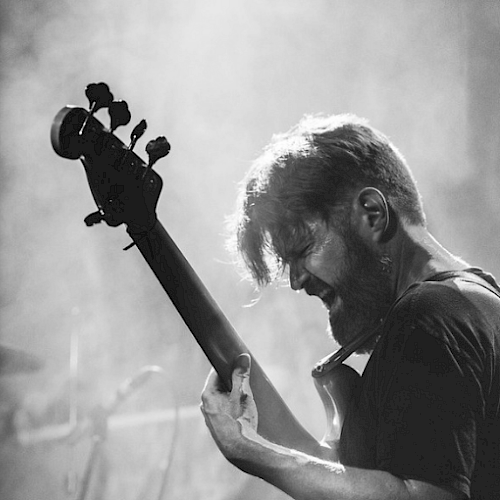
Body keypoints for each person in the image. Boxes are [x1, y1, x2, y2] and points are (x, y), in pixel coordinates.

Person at [200, 114, 500, 500]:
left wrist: (251, 453)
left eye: (303, 250)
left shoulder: (429, 317)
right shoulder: (475, 300)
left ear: (372, 214)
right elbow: (369, 481)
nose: (296, 281)